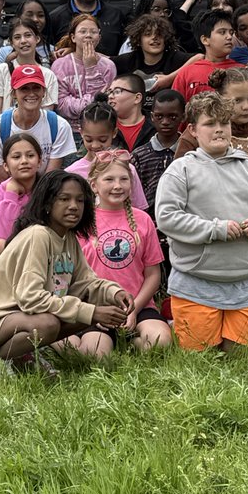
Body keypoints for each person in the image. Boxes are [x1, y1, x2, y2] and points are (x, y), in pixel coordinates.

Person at [0, 170, 132, 374]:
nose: (73, 206)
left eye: (80, 200)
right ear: (47, 203)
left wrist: (114, 293)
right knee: (48, 324)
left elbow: (86, 283)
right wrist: (92, 312)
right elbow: (30, 298)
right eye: (64, 199)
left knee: (96, 306)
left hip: (23, 318)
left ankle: (23, 358)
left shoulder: (68, 237)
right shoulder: (38, 235)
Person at [155, 91, 248, 352]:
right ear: (192, 129)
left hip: (246, 280)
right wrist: (216, 229)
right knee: (200, 361)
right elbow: (167, 218)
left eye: (224, 123)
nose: (218, 130)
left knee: (242, 358)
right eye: (209, 124)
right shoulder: (180, 170)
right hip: (196, 281)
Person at [68, 153, 171, 357]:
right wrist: (91, 311)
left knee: (162, 342)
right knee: (93, 354)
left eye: (124, 179)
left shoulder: (143, 220)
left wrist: (134, 309)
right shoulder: (81, 221)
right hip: (96, 308)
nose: (117, 185)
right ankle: (104, 342)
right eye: (109, 179)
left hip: (138, 305)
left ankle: (132, 343)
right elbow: (74, 278)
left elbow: (153, 275)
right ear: (94, 185)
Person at [175, 67, 248, 197]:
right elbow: (179, 179)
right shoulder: (199, 132)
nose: (246, 106)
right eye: (237, 100)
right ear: (219, 98)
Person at [0, 65, 77, 180]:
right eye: (24, 88)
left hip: (44, 193)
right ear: (13, 94)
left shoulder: (59, 126)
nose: (31, 93)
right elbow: (2, 182)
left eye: (36, 88)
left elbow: (49, 180)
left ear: (44, 92)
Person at [52, 14, 117, 142]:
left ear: (99, 37)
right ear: (73, 37)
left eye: (93, 32)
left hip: (100, 132)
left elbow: (104, 104)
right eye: (83, 31)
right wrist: (88, 104)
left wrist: (91, 68)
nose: (88, 35)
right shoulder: (60, 65)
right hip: (69, 132)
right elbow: (62, 106)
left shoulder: (108, 66)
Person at [0, 133, 43, 271]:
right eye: (16, 157)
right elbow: (3, 235)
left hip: (41, 250)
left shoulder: (48, 190)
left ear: (39, 161)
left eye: (30, 156)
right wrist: (11, 195)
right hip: (9, 256)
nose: (24, 161)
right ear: (5, 166)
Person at [0, 16, 59, 117]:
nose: (23, 41)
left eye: (28, 35)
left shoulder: (48, 75)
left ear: (37, 38)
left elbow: (47, 114)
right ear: (11, 43)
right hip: (6, 130)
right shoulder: (1, 70)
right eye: (17, 37)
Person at [131, 88, 185, 211]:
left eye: (172, 116)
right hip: (148, 221)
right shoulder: (138, 156)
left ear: (183, 116)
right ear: (152, 117)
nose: (165, 122)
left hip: (184, 221)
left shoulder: (191, 153)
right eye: (159, 116)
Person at [170, 9, 243, 101]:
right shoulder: (186, 74)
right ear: (205, 40)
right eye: (222, 32)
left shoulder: (242, 71)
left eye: (231, 32)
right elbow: (175, 107)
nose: (229, 37)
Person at [113, 14, 192, 93]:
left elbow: (200, 57)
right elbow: (105, 61)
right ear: (138, 40)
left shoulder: (173, 57)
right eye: (148, 34)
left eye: (159, 34)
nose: (154, 37)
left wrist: (169, 78)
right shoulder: (130, 59)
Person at [0, 0, 56, 65]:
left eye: (40, 15)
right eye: (29, 15)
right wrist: (8, 63)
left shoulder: (53, 51)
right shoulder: (5, 52)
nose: (36, 19)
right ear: (19, 17)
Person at [105, 74, 152, 151]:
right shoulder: (103, 125)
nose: (110, 96)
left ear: (137, 98)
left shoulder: (156, 126)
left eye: (117, 91)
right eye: (109, 92)